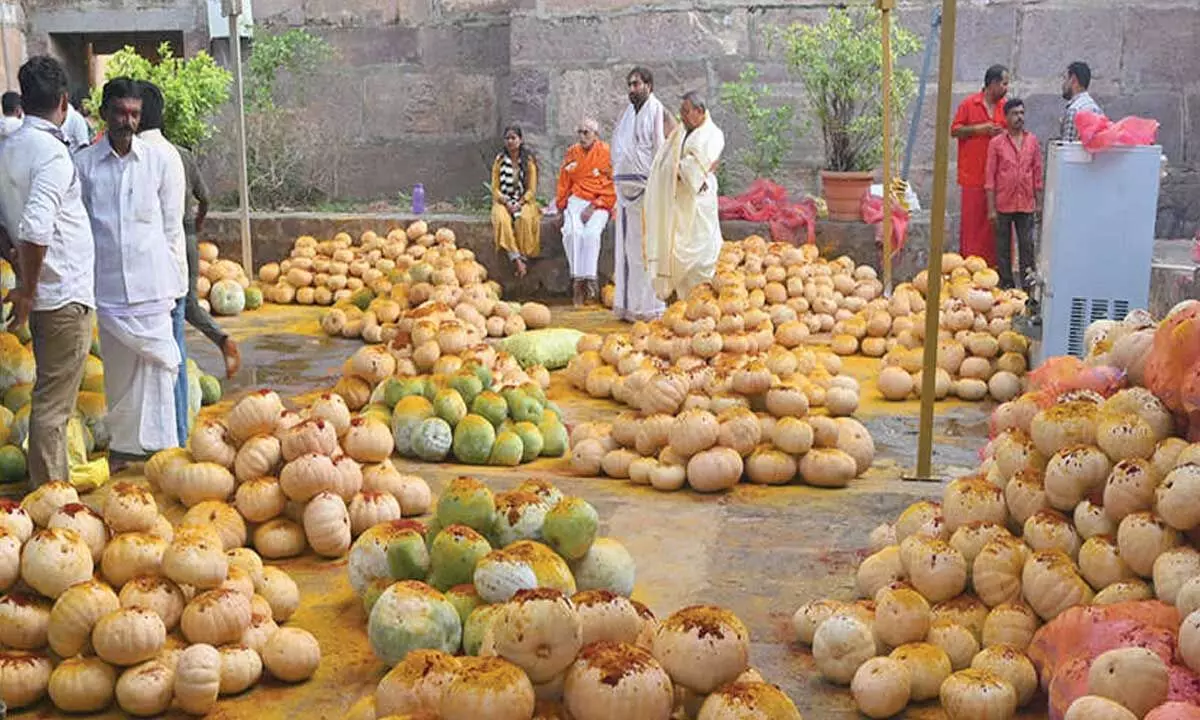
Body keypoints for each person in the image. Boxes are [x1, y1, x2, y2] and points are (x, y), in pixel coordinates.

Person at [75, 77, 183, 470]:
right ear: (105, 112)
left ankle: (163, 450)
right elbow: (79, 228)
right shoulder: (84, 165)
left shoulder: (157, 160)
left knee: (161, 371)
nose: (128, 121)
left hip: (153, 287)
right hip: (108, 291)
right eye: (120, 112)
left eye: (134, 114)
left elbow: (171, 227)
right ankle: (123, 449)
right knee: (119, 377)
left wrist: (176, 284)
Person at [0, 57, 95, 488]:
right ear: (63, 102)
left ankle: (52, 488)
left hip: (48, 291)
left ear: (22, 101)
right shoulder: (52, 154)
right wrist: (27, 288)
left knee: (51, 399)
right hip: (61, 294)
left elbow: (12, 223)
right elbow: (36, 226)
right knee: (54, 407)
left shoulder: (9, 148)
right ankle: (53, 498)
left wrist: (16, 260)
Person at [135, 81, 190, 447]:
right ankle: (178, 435)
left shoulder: (144, 155)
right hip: (173, 270)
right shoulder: (170, 151)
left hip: (157, 278)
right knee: (174, 357)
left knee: (164, 363)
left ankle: (172, 439)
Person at [644, 91, 726, 302]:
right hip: (679, 202)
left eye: (686, 112)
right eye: (681, 112)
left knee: (702, 256)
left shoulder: (712, 134)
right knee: (676, 248)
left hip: (699, 201)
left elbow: (694, 170)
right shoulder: (681, 132)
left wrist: (677, 168)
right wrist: (672, 169)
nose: (682, 117)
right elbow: (667, 159)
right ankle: (681, 301)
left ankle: (702, 300)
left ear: (699, 111)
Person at [611, 66, 674, 323]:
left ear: (649, 85)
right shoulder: (627, 114)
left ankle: (649, 308)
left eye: (636, 84)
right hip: (625, 195)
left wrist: (662, 186)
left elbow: (668, 148)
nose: (632, 89)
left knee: (647, 252)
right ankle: (628, 306)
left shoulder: (659, 111)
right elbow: (618, 147)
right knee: (628, 252)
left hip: (648, 193)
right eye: (629, 85)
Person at [175, 138, 241, 379]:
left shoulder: (146, 155)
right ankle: (222, 339)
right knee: (189, 303)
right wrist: (197, 225)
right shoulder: (183, 154)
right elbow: (205, 198)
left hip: (166, 238)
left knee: (168, 305)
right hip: (188, 234)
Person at [952, 64, 1009, 267]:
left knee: (995, 228)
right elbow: (955, 130)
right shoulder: (969, 104)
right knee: (973, 227)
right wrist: (980, 129)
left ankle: (995, 270)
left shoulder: (1005, 107)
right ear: (992, 84)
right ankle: (969, 269)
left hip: (998, 179)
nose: (1006, 88)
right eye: (1004, 84)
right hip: (973, 176)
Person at [554, 118, 615, 306]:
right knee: (572, 233)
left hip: (600, 202)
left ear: (596, 135)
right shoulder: (572, 152)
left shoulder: (606, 152)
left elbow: (613, 185)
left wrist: (595, 205)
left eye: (586, 132)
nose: (582, 136)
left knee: (591, 234)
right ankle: (578, 281)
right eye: (579, 132)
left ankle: (590, 281)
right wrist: (561, 206)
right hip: (576, 200)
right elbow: (564, 181)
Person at [985, 98, 1044, 291]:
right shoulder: (996, 143)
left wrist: (1039, 203)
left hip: (1026, 203)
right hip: (1003, 203)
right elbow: (990, 177)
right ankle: (1007, 287)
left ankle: (1028, 289)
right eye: (1015, 113)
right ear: (1006, 117)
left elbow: (1037, 173)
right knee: (1002, 248)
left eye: (1022, 113)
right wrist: (991, 209)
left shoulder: (1032, 141)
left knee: (1027, 246)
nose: (1019, 117)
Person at [490, 125, 541, 278]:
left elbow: (531, 190)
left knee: (524, 219)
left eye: (513, 138)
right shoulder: (499, 160)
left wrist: (520, 203)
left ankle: (524, 257)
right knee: (501, 220)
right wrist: (505, 202)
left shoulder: (528, 161)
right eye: (507, 138)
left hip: (524, 201)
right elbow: (495, 188)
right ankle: (516, 259)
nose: (510, 141)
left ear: (520, 140)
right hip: (503, 201)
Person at [1061, 61, 1103, 142]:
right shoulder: (1097, 109)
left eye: (1065, 78)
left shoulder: (1074, 110)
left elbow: (1068, 146)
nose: (1063, 84)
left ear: (1073, 80)